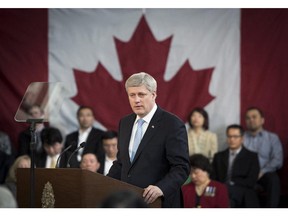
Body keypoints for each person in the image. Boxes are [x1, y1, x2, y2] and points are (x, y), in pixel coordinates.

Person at [107, 72, 190, 207]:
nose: (136, 100)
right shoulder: (125, 122)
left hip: (159, 203)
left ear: (153, 95)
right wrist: (102, 183)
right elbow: (122, 163)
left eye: (141, 94)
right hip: (129, 203)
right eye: (132, 95)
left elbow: (181, 167)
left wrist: (161, 188)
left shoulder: (172, 124)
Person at [243, 107, 283, 207]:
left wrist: (262, 171)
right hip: (245, 173)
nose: (251, 120)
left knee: (273, 179)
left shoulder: (272, 138)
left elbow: (278, 160)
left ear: (262, 120)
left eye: (254, 117)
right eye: (248, 118)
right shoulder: (240, 138)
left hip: (265, 173)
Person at [212, 124, 260, 207]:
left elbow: (251, 180)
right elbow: (213, 177)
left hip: (242, 189)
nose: (232, 139)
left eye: (235, 137)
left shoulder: (252, 156)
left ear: (242, 139)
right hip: (221, 189)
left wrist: (231, 184)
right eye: (229, 136)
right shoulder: (218, 156)